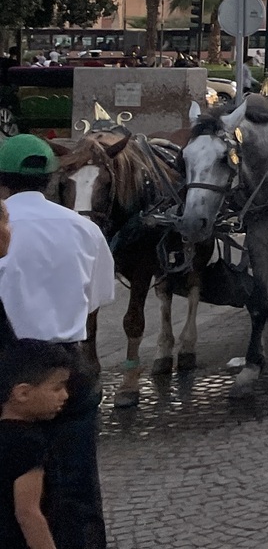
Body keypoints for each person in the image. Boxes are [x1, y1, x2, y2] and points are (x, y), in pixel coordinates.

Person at [0, 135, 113, 549]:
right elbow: (98, 298)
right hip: (67, 367)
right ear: (52, 179)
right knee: (78, 487)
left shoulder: (6, 223)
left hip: (10, 368)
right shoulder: (84, 229)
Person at [1, 341, 71, 549]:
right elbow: (28, 513)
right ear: (23, 393)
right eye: (57, 388)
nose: (65, 395)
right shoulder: (29, 443)